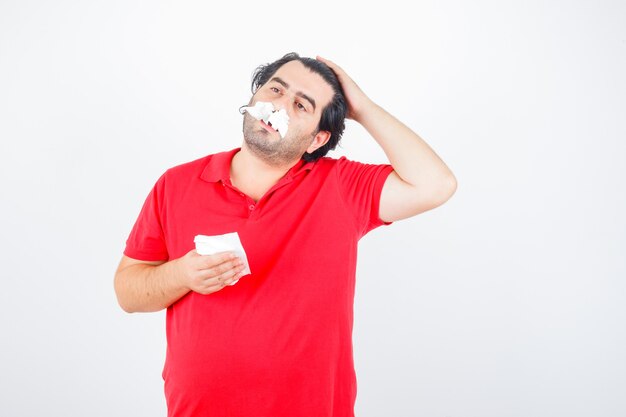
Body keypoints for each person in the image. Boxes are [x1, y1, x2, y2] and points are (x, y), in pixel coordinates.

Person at [114, 52, 457, 417]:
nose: (278, 105)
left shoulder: (341, 186)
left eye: (300, 105)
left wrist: (365, 108)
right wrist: (180, 274)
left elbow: (435, 185)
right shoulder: (176, 184)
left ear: (317, 139)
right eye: (275, 89)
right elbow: (128, 293)